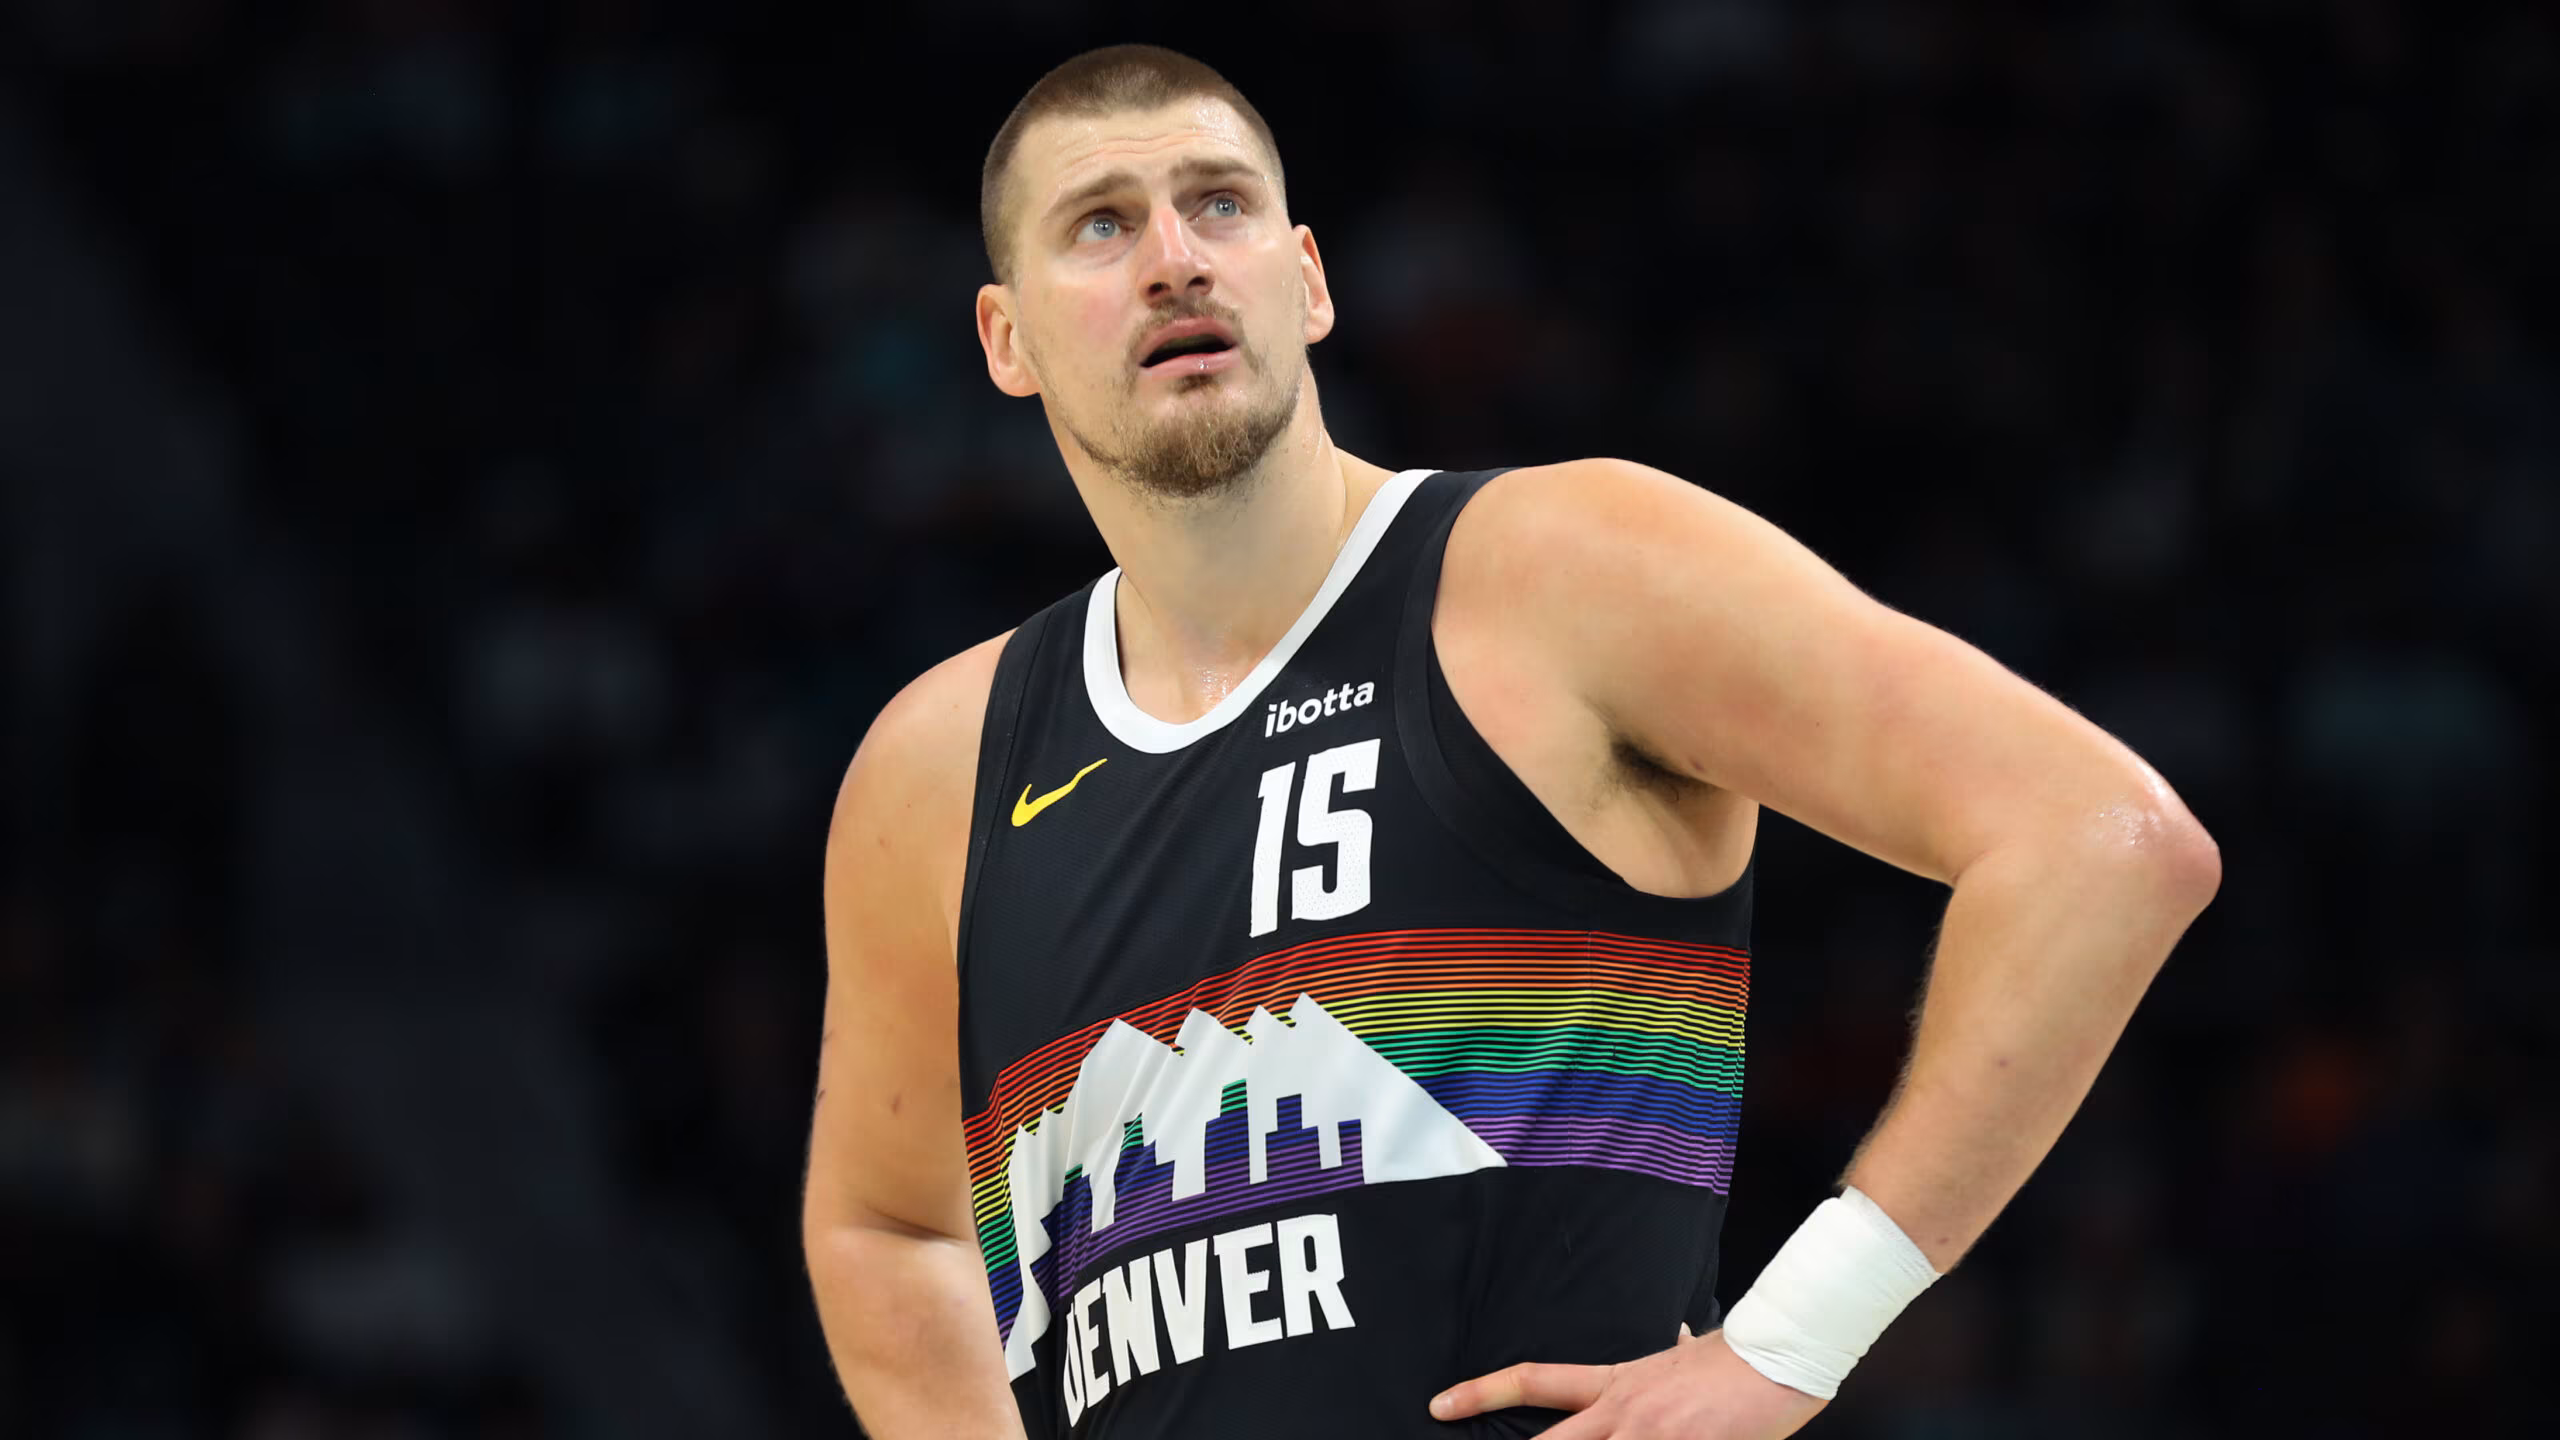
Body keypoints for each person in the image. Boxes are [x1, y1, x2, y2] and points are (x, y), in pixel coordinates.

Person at [800, 42, 2220, 1440]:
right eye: (1102, 225)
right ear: (1007, 339)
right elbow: (883, 1228)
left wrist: (1794, 1337)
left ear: (1308, 280)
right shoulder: (941, 765)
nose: (1174, 258)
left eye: (1219, 204)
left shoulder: (1560, 573)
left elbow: (2101, 842)